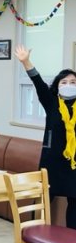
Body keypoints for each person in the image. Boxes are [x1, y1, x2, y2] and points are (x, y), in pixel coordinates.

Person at [15, 44, 76, 229]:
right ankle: (34, 236)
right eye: (64, 82)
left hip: (73, 164)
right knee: (42, 201)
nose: (68, 85)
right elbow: (38, 83)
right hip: (51, 163)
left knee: (75, 205)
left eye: (73, 82)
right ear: (57, 87)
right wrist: (26, 62)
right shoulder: (51, 103)